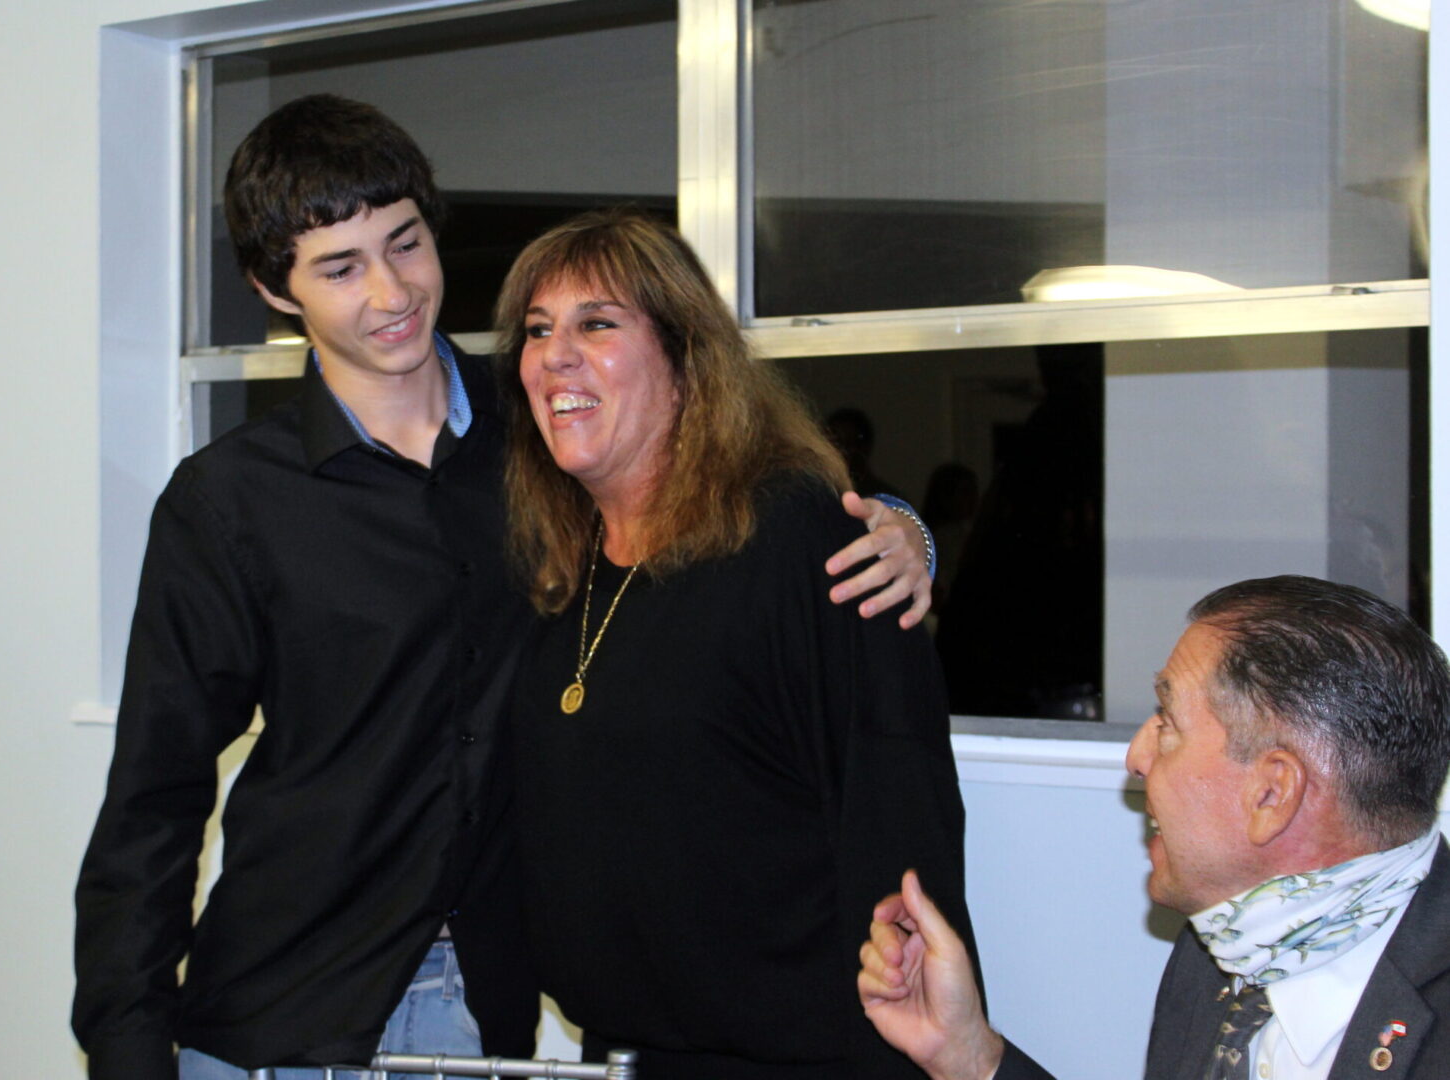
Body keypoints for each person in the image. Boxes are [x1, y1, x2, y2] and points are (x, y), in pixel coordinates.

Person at [72, 96, 934, 1080]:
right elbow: (153, 798)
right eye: (341, 268)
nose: (392, 291)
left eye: (404, 243)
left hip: (484, 1016)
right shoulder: (228, 503)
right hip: (278, 1016)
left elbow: (722, 471)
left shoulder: (545, 429)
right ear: (276, 291)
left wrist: (897, 525)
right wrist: (127, 1048)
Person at [493, 209, 977, 1080]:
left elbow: (894, 806)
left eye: (596, 323)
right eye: (537, 330)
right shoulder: (562, 569)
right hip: (627, 1058)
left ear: (685, 359)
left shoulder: (800, 537)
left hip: (806, 1061)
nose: (554, 355)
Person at [859, 575, 1450, 1080]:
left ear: (1272, 792)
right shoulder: (1230, 944)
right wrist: (969, 1056)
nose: (1137, 757)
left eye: (1167, 721)